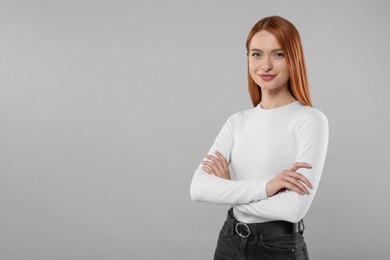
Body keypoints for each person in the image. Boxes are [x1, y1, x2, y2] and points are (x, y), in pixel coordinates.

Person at [190, 15, 329, 260]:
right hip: (228, 242)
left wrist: (228, 190)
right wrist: (268, 187)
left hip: (279, 248)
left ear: (293, 58)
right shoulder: (237, 121)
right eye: (256, 54)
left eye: (278, 54)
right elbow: (198, 188)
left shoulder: (310, 120)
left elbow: (293, 208)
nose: (265, 65)